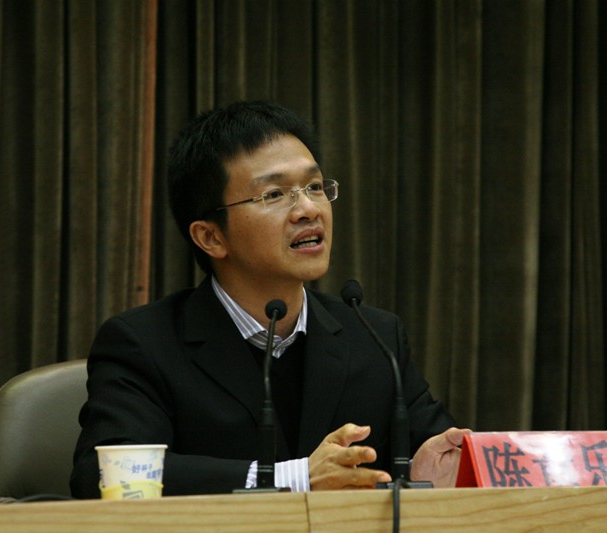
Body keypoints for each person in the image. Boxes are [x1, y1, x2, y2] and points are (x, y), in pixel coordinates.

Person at [70, 101, 470, 497]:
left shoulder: (374, 336)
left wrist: (422, 472)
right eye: (274, 194)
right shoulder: (145, 344)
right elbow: (103, 475)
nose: (308, 209)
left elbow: (433, 453)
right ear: (211, 236)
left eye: (315, 187)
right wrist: (292, 478)